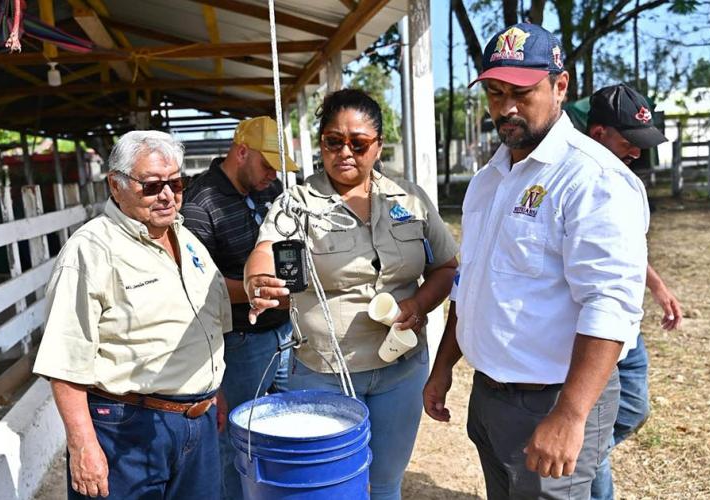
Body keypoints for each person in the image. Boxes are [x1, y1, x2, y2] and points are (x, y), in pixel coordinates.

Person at [423, 23, 650, 499]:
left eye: (522, 92)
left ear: (560, 86)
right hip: (491, 394)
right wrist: (444, 365)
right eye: (495, 92)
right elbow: (471, 282)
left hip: (553, 399)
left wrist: (569, 415)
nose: (506, 108)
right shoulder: (491, 178)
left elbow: (609, 304)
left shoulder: (592, 178)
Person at [243, 88, 458, 500]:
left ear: (377, 146)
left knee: (385, 482)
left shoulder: (409, 199)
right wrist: (259, 282)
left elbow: (445, 268)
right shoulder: (298, 202)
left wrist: (417, 304)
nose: (345, 152)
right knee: (332, 486)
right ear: (321, 143)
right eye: (333, 141)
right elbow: (266, 251)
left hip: (401, 368)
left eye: (358, 144)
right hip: (325, 372)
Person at [33, 130, 231, 499]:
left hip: (197, 424)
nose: (168, 195)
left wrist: (213, 393)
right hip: (128, 429)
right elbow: (64, 362)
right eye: (153, 186)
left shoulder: (186, 238)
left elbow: (207, 326)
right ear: (116, 185)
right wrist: (83, 446)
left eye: (177, 182)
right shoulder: (90, 252)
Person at [180, 116, 298, 500]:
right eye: (266, 165)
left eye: (277, 168)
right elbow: (196, 286)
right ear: (241, 151)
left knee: (288, 426)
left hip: (285, 332)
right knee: (237, 438)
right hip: (239, 340)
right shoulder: (200, 202)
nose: (272, 175)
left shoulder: (272, 189)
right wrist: (260, 292)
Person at [586, 83, 684, 500]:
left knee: (632, 409)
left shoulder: (625, 183)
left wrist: (658, 289)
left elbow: (626, 249)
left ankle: (580, 460)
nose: (637, 152)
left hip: (629, 328)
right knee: (595, 431)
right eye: (630, 142)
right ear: (598, 134)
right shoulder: (577, 184)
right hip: (595, 329)